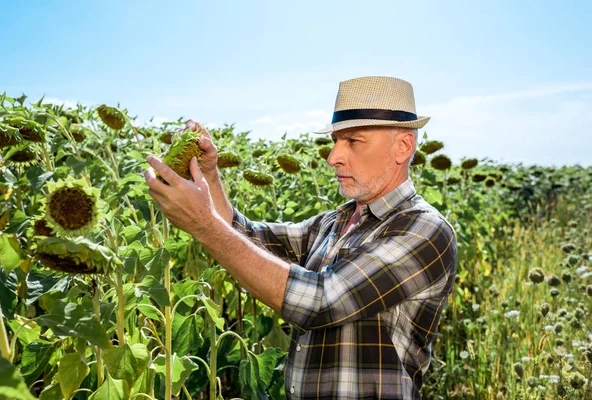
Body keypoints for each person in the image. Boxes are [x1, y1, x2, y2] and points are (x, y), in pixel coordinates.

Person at [144, 76, 457, 399]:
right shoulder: (335, 222)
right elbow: (247, 235)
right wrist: (210, 177)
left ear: (403, 147)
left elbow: (320, 302)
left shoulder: (424, 230)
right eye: (336, 141)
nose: (332, 156)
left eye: (353, 141)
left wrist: (205, 225)